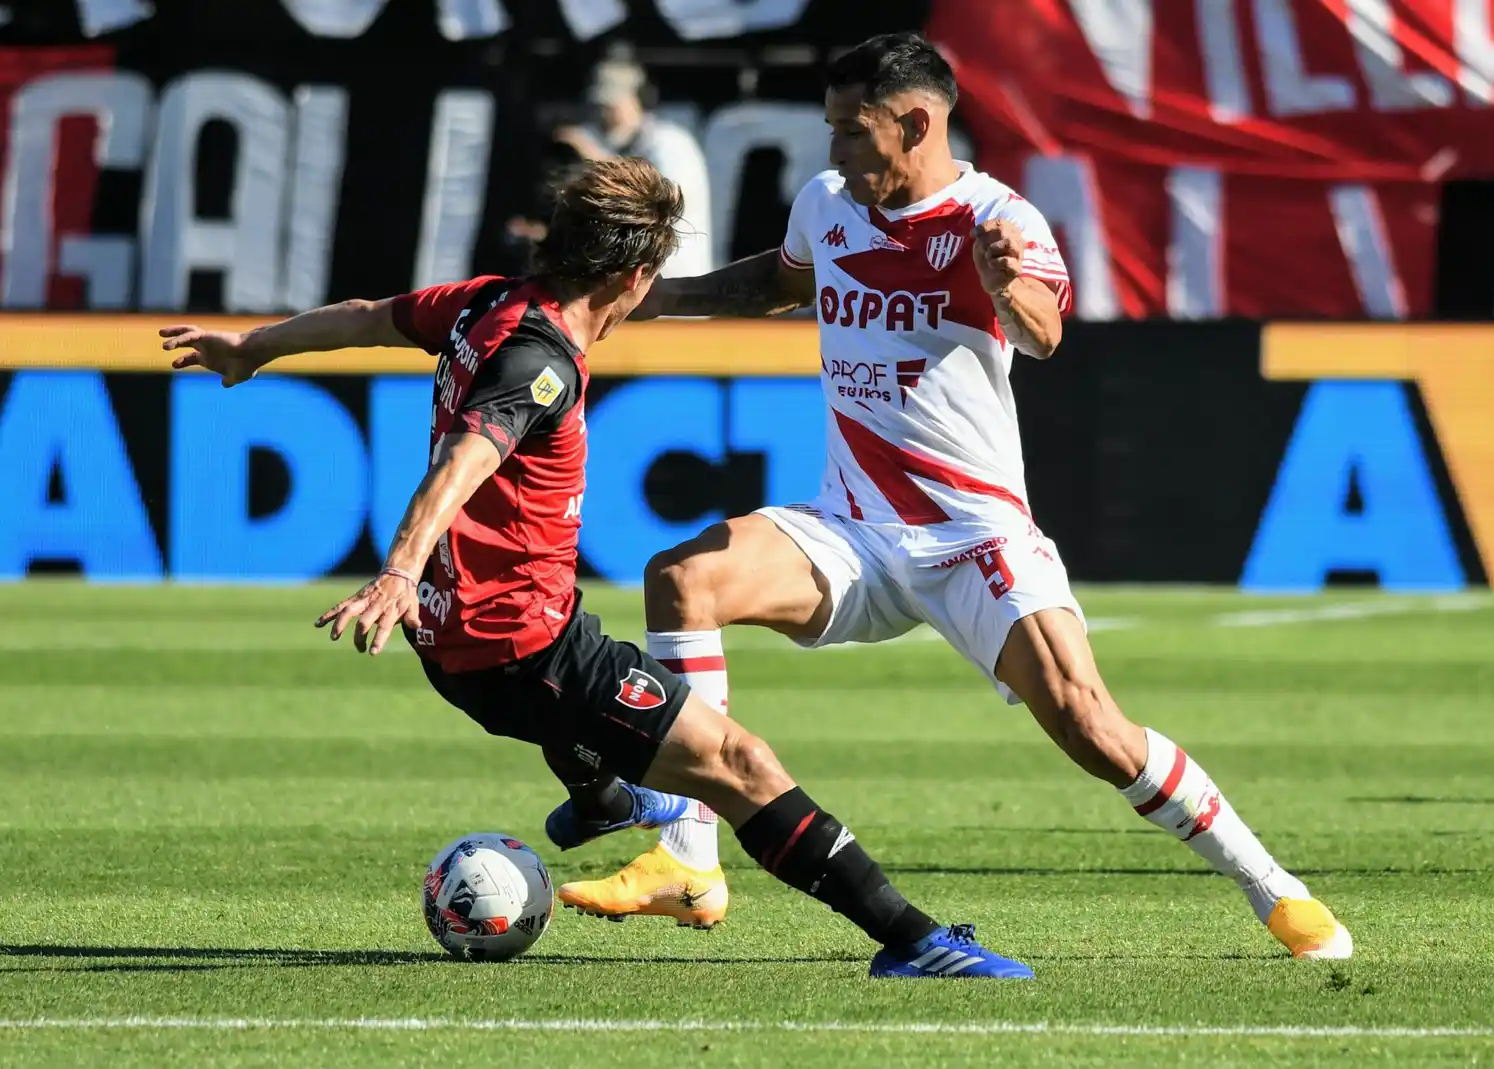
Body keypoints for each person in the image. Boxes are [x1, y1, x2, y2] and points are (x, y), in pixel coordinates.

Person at [551, 35, 1354, 962]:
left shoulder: (996, 218)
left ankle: (1273, 886)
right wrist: (640, 300)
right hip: (848, 529)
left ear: (917, 122)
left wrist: (1008, 285)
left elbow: (1045, 334)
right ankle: (689, 859)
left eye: (852, 133)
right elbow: (775, 283)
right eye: (832, 132)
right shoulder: (828, 205)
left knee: (1094, 726)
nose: (835, 154)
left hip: (972, 536)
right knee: (682, 579)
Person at [159, 157, 1030, 980]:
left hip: (468, 643)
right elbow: (465, 460)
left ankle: (603, 792)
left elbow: (365, 313)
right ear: (632, 279)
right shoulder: (539, 367)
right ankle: (914, 941)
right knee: (741, 764)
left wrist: (255, 347)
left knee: (609, 688)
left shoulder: (485, 303)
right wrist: (397, 566)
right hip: (523, 651)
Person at [552, 50, 712, 278]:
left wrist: (594, 157)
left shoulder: (671, 143)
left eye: (612, 105)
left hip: (677, 291)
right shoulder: (618, 146)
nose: (605, 115)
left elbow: (665, 201)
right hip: (635, 292)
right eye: (601, 107)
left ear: (638, 98)